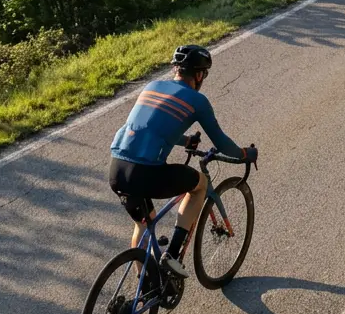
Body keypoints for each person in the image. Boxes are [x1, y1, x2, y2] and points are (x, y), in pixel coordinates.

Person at [109, 43, 257, 278]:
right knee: (199, 185)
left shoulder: (152, 86)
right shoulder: (197, 101)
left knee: (144, 225)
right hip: (146, 172)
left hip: (117, 169)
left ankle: (145, 285)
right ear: (198, 74)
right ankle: (173, 256)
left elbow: (151, 127)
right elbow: (221, 143)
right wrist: (244, 154)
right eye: (204, 74)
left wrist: (185, 140)